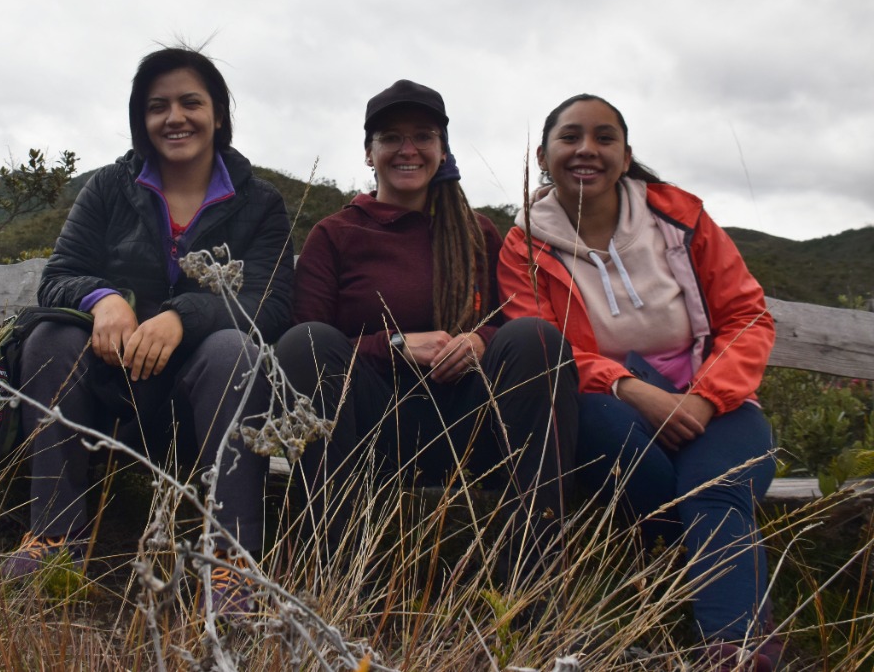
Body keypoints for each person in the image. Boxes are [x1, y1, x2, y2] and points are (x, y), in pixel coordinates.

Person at [5, 48, 294, 616]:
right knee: (50, 341)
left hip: (201, 397)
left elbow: (271, 303)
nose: (175, 117)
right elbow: (59, 276)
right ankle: (54, 540)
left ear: (218, 114)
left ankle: (231, 561)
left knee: (235, 348)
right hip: (112, 391)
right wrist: (104, 298)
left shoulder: (260, 204)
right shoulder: (110, 187)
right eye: (157, 106)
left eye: (191, 102)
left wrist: (184, 315)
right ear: (141, 118)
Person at [497, 93, 780, 670]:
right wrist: (631, 387)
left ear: (625, 156)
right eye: (570, 137)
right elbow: (547, 345)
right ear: (543, 155)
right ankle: (737, 634)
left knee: (716, 486)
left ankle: (738, 654)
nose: (587, 150)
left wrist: (703, 398)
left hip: (718, 407)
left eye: (605, 138)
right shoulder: (523, 246)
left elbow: (748, 317)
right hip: (606, 406)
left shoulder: (681, 218)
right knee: (703, 500)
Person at [276, 79, 578, 583]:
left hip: (466, 422)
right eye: (391, 138)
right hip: (371, 426)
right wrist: (394, 344)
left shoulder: (475, 231)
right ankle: (336, 573)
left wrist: (480, 340)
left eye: (423, 136)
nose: (408, 149)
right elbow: (305, 338)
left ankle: (534, 577)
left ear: (442, 149)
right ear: (369, 153)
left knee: (537, 339)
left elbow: (508, 315)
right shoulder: (336, 233)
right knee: (304, 343)